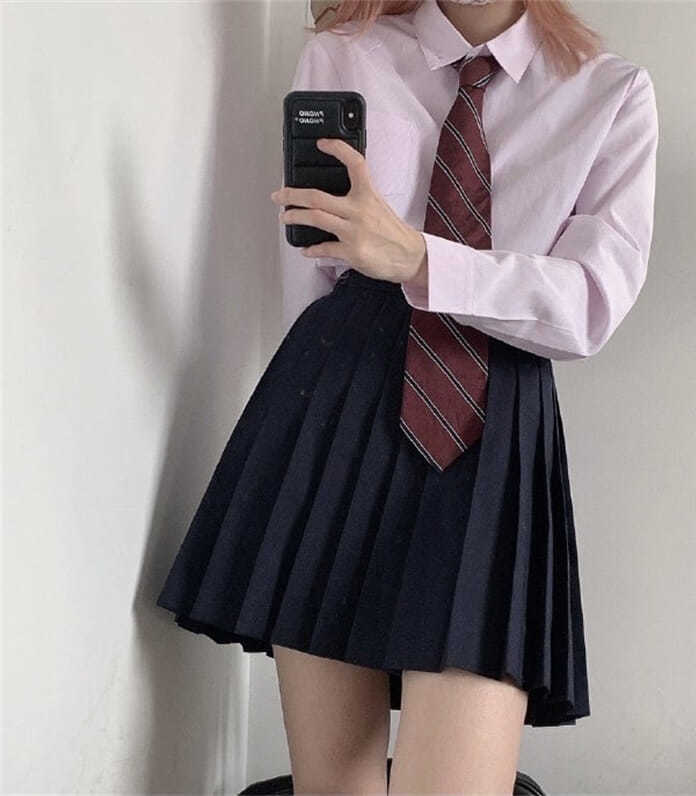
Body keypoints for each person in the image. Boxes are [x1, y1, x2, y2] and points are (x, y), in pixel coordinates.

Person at [156, 0, 658, 792]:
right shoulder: (345, 56)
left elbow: (591, 303)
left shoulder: (610, 93)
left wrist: (419, 258)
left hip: (492, 425)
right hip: (335, 408)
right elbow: (311, 280)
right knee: (336, 789)